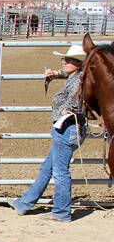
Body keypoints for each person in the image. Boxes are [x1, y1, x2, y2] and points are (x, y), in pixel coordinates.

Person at [9, 43, 88, 221]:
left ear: (78, 63)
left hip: (67, 128)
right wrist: (56, 73)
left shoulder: (79, 79)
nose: (65, 62)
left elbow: (75, 101)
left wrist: (65, 110)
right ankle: (24, 204)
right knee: (48, 168)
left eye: (69, 60)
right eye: (64, 59)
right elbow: (69, 77)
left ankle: (61, 212)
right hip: (69, 128)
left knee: (60, 171)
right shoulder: (77, 76)